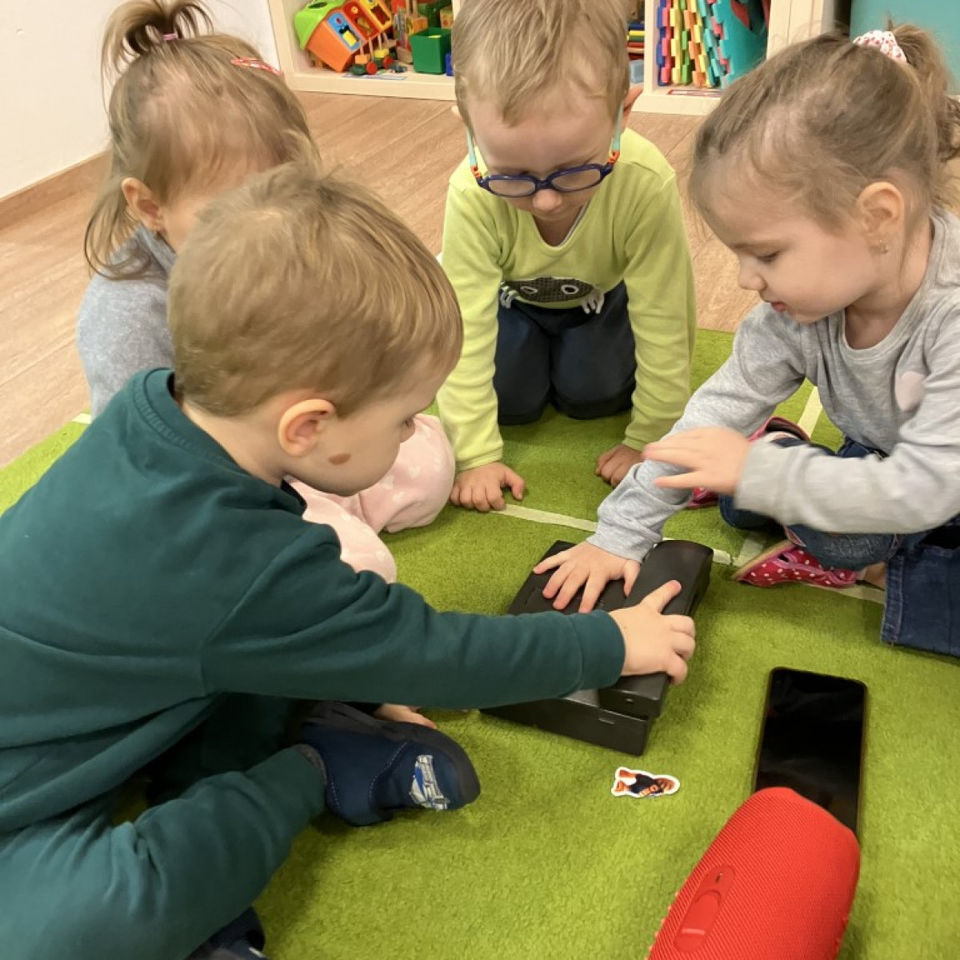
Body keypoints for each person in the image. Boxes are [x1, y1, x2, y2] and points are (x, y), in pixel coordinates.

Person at [0, 165, 696, 960]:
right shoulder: (239, 562)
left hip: (115, 708)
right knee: (82, 931)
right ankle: (312, 767)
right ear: (307, 427)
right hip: (27, 803)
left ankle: (281, 769)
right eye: (403, 419)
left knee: (250, 665)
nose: (412, 435)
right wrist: (609, 644)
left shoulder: (154, 408)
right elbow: (437, 656)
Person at [75, 2, 456, 718]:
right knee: (361, 569)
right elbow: (148, 487)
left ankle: (338, 510)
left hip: (301, 451)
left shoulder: (288, 251)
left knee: (429, 464)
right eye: (230, 208)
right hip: (218, 503)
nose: (267, 229)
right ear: (149, 205)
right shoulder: (128, 314)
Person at [534, 26, 960, 657]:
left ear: (876, 217)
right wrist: (618, 536)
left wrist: (759, 472)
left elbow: (929, 485)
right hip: (890, 458)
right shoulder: (796, 312)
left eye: (766, 253)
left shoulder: (949, 315)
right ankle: (791, 477)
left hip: (936, 476)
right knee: (823, 520)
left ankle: (789, 478)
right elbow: (713, 410)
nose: (743, 279)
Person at [437, 0, 696, 512]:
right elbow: (462, 328)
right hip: (510, 305)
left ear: (622, 114)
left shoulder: (645, 183)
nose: (546, 200)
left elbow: (667, 319)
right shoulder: (470, 192)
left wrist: (651, 437)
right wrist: (474, 456)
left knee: (592, 395)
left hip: (601, 301)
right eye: (512, 174)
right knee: (510, 401)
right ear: (468, 128)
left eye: (575, 169)